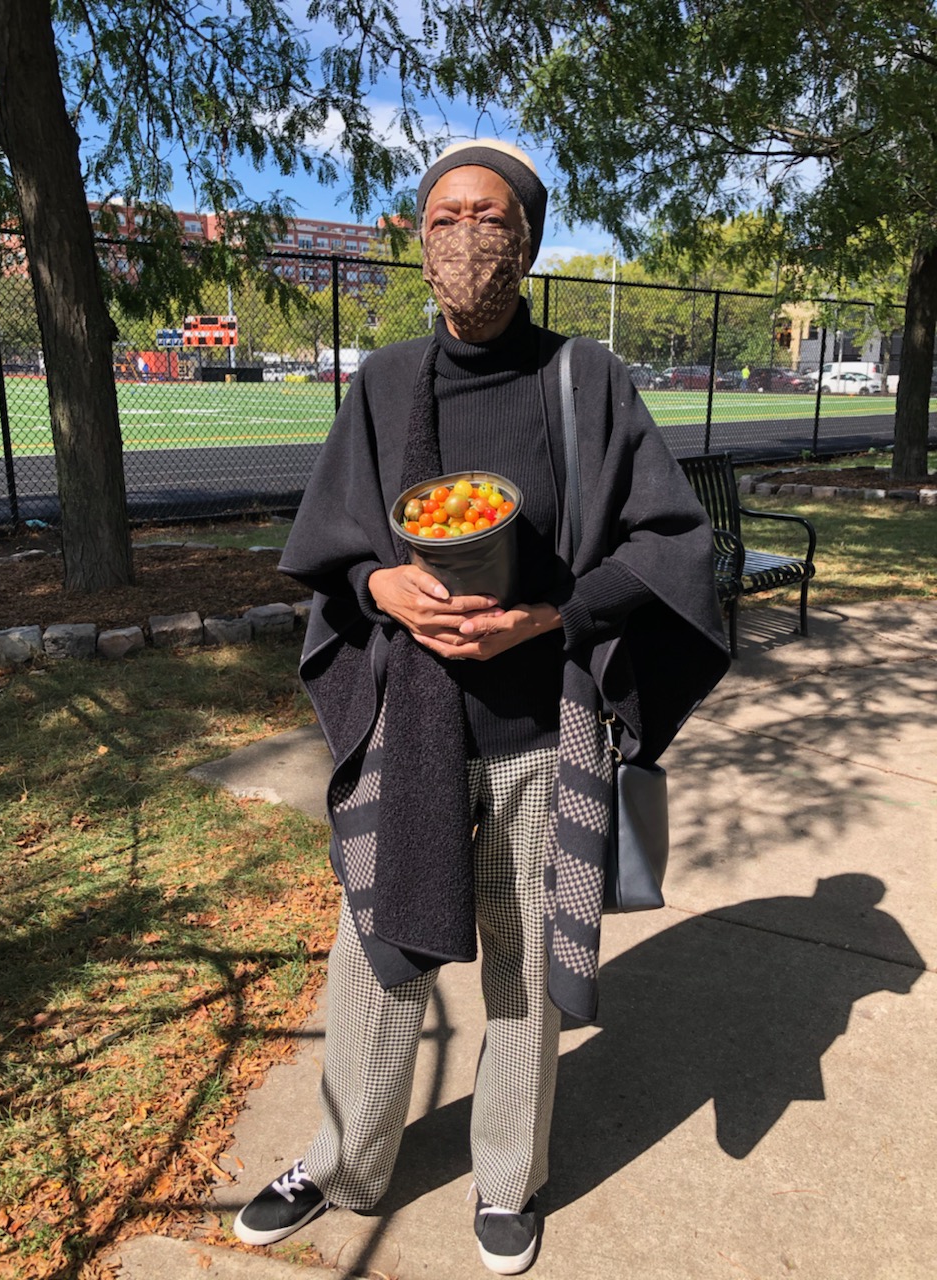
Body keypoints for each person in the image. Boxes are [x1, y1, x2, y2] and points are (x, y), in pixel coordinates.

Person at [233, 140, 730, 1275]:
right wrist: (379, 585)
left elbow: (669, 546)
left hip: (536, 728)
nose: (467, 234)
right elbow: (332, 547)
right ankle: (345, 1154)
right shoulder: (387, 383)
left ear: (528, 236)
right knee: (374, 950)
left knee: (520, 964)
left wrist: (553, 614)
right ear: (420, 237)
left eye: (490, 214)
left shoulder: (584, 380)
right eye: (446, 213)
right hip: (413, 719)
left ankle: (508, 1174)